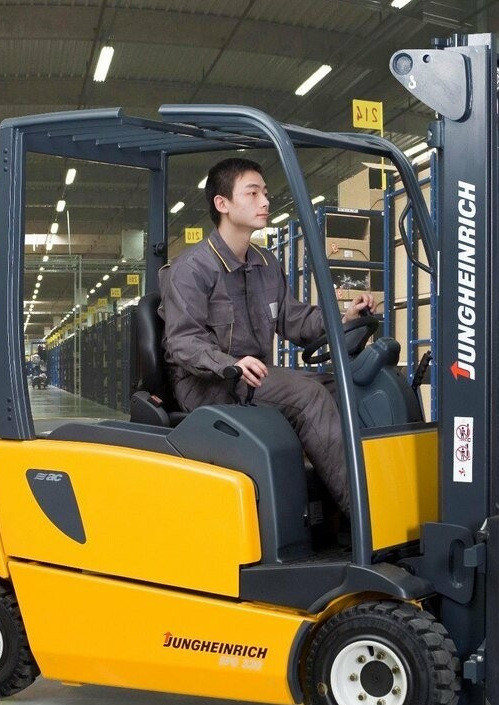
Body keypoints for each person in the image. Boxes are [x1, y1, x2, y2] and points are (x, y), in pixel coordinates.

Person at [158, 158, 376, 514]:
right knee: (308, 396)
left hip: (255, 377)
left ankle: (343, 508)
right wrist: (229, 364)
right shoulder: (191, 269)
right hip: (208, 384)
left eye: (265, 193)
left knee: (349, 386)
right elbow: (183, 342)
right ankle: (364, 517)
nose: (265, 201)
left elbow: (293, 319)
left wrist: (343, 317)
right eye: (253, 193)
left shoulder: (265, 263)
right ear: (222, 203)